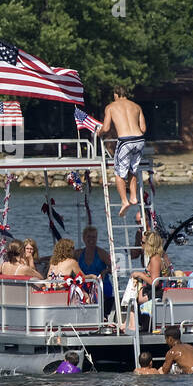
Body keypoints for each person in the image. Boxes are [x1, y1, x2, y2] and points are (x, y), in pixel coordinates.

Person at [99, 88, 146, 216]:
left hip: (125, 141)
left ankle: (124, 201)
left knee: (119, 173)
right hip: (140, 140)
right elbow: (143, 128)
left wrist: (99, 132)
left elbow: (107, 127)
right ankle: (134, 197)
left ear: (116, 94)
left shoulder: (111, 107)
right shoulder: (137, 107)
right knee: (132, 170)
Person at [77, 225, 115, 318]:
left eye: (94, 237)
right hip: (84, 284)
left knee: (104, 291)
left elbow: (114, 268)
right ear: (84, 238)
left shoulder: (101, 253)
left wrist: (106, 271)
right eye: (88, 237)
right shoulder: (78, 253)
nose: (91, 239)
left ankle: (103, 316)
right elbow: (65, 259)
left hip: (101, 284)